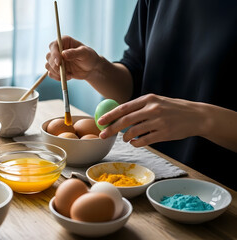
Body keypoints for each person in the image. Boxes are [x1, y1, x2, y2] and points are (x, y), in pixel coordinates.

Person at [45, 0, 237, 190]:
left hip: (219, 192)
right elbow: (136, 78)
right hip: (155, 177)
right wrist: (96, 70)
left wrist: (202, 119)